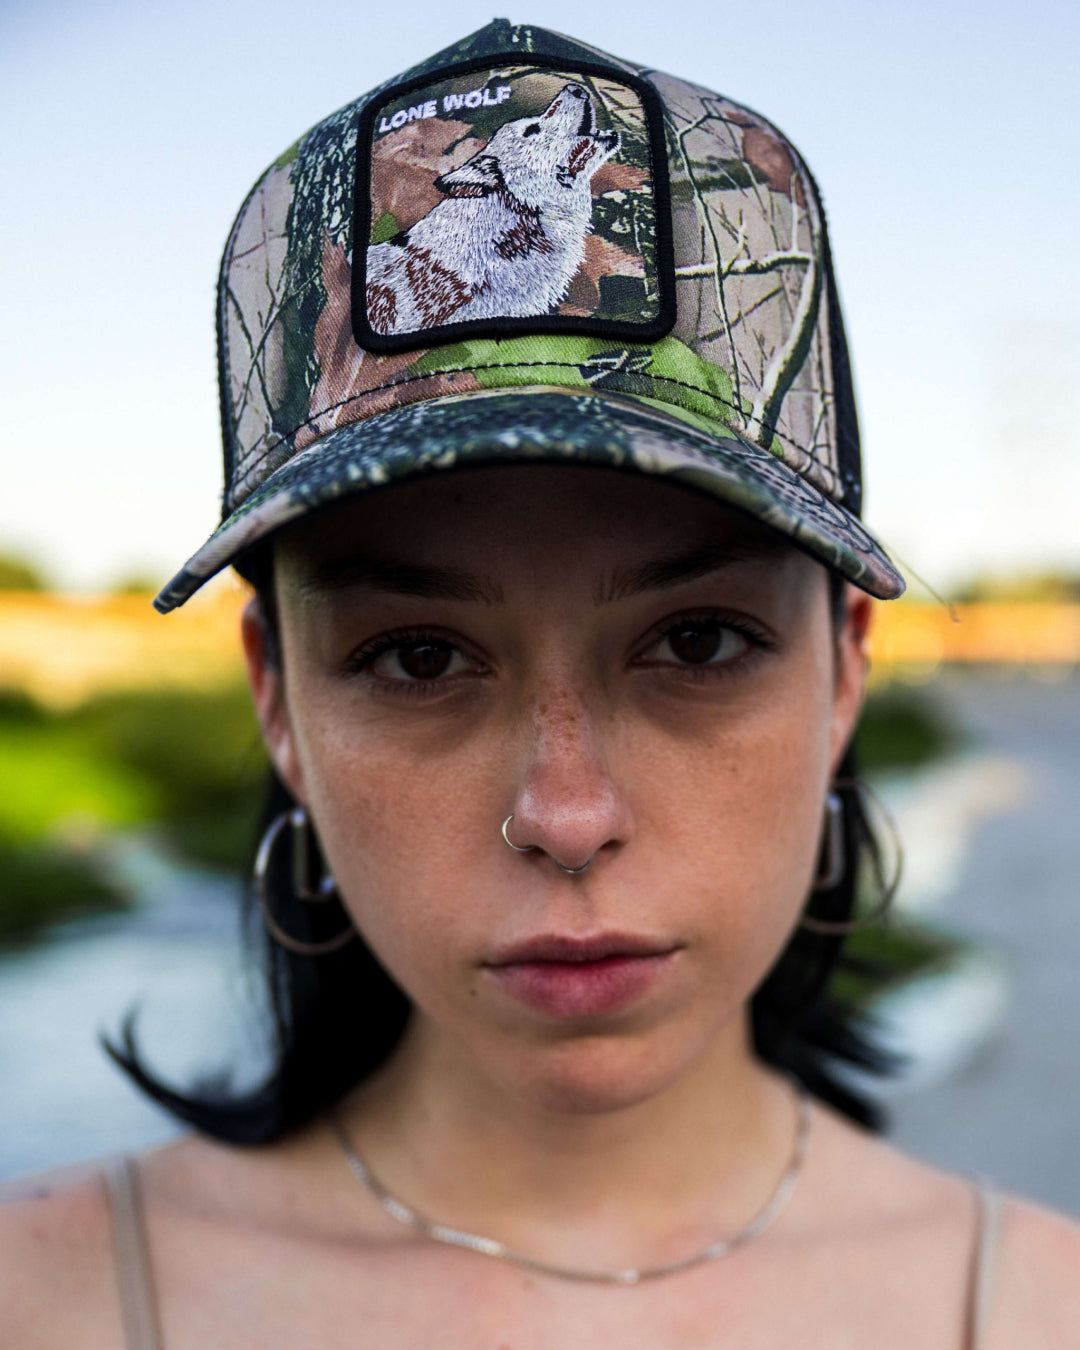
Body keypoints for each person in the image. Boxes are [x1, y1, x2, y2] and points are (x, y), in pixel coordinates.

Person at [2, 19, 1078, 1348]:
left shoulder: (1032, 1308)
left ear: (847, 667)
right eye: (417, 655)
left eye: (697, 641)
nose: (566, 816)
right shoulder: (50, 1302)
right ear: (276, 696)